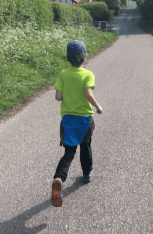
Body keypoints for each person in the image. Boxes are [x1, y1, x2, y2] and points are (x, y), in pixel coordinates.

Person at [51, 40, 103, 208]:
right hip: (84, 119)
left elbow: (58, 97)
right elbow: (88, 94)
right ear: (84, 56)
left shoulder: (63, 74)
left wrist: (69, 97)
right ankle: (87, 174)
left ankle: (59, 178)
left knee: (69, 152)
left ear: (68, 58)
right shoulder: (88, 75)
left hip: (68, 120)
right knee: (85, 146)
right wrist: (98, 106)